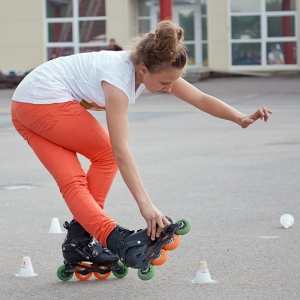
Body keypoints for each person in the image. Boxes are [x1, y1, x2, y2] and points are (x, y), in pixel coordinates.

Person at [11, 21, 272, 268]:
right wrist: (145, 205)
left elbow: (201, 99)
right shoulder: (117, 82)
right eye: (165, 83)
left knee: (73, 180)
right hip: (42, 100)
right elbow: (120, 150)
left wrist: (240, 117)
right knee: (106, 153)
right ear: (144, 69)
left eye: (173, 82)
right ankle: (112, 238)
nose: (170, 89)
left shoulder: (152, 68)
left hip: (23, 107)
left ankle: (79, 243)